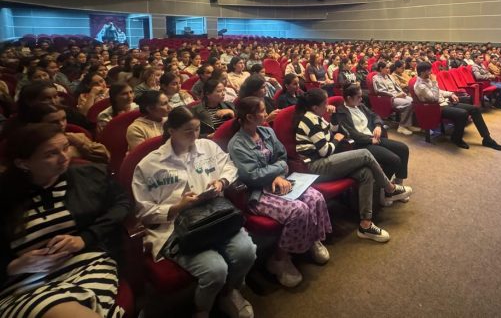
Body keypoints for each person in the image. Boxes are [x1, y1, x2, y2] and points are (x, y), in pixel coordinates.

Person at [132, 107, 256, 318]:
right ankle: (202, 309)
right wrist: (177, 207)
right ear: (171, 130)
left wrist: (221, 181)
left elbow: (229, 167)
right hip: (177, 227)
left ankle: (229, 292)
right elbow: (143, 212)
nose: (195, 135)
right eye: (188, 131)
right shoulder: (149, 165)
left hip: (216, 216)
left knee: (247, 252)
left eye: (197, 129)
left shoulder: (207, 147)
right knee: (215, 270)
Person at [0, 123, 130, 318]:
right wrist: (13, 266)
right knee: (54, 306)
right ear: (23, 163)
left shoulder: (89, 175)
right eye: (50, 154)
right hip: (23, 283)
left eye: (65, 147)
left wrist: (84, 238)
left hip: (86, 265)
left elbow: (123, 203)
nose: (64, 157)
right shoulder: (5, 195)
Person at [228, 97, 332, 288]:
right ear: (250, 117)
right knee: (298, 210)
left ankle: (311, 240)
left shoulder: (267, 131)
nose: (266, 112)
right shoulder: (237, 145)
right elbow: (251, 176)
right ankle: (279, 260)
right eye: (261, 110)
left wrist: (277, 173)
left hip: (282, 181)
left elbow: (283, 157)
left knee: (315, 197)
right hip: (258, 192)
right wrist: (274, 174)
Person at [295, 88, 412, 243]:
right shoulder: (309, 120)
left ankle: (365, 224)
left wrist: (333, 117)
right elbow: (325, 150)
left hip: (328, 159)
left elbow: (332, 130)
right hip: (316, 167)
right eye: (325, 103)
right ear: (315, 107)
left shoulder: (318, 117)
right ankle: (389, 188)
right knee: (364, 153)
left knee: (365, 173)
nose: (328, 105)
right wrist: (336, 139)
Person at [332, 84, 410, 192]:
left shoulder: (360, 106)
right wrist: (369, 140)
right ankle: (385, 191)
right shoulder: (341, 112)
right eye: (358, 96)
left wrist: (378, 125)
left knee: (403, 148)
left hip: (374, 137)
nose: (361, 98)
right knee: (394, 160)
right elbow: (350, 133)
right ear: (349, 98)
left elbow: (374, 115)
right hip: (361, 144)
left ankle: (398, 183)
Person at [413, 62, 501, 151]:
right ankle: (456, 138)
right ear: (422, 72)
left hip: (445, 103)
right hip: (437, 108)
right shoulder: (420, 86)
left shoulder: (427, 79)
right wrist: (434, 82)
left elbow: (440, 92)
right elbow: (434, 98)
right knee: (463, 113)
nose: (431, 72)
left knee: (475, 109)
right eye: (429, 70)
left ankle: (487, 138)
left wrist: (451, 94)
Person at [28, 103, 111, 164]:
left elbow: (106, 156)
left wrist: (81, 144)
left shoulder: (76, 136)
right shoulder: (32, 144)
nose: (62, 124)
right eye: (54, 122)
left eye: (63, 119)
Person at [372, 61, 417, 136]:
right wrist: (396, 95)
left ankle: (408, 125)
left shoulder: (389, 76)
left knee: (413, 101)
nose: (389, 69)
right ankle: (402, 126)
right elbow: (380, 91)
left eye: (389, 68)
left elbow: (397, 87)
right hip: (389, 98)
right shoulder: (376, 78)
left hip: (397, 95)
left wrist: (402, 93)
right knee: (408, 103)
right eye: (386, 68)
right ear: (381, 68)